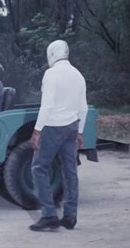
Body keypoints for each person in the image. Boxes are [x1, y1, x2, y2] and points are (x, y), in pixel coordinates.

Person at [28, 40, 88, 231]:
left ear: (51, 54)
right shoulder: (78, 75)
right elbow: (83, 108)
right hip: (71, 127)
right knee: (70, 171)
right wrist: (80, 132)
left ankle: (49, 215)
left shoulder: (51, 74)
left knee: (39, 168)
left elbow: (47, 106)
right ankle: (70, 216)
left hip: (53, 127)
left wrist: (36, 131)